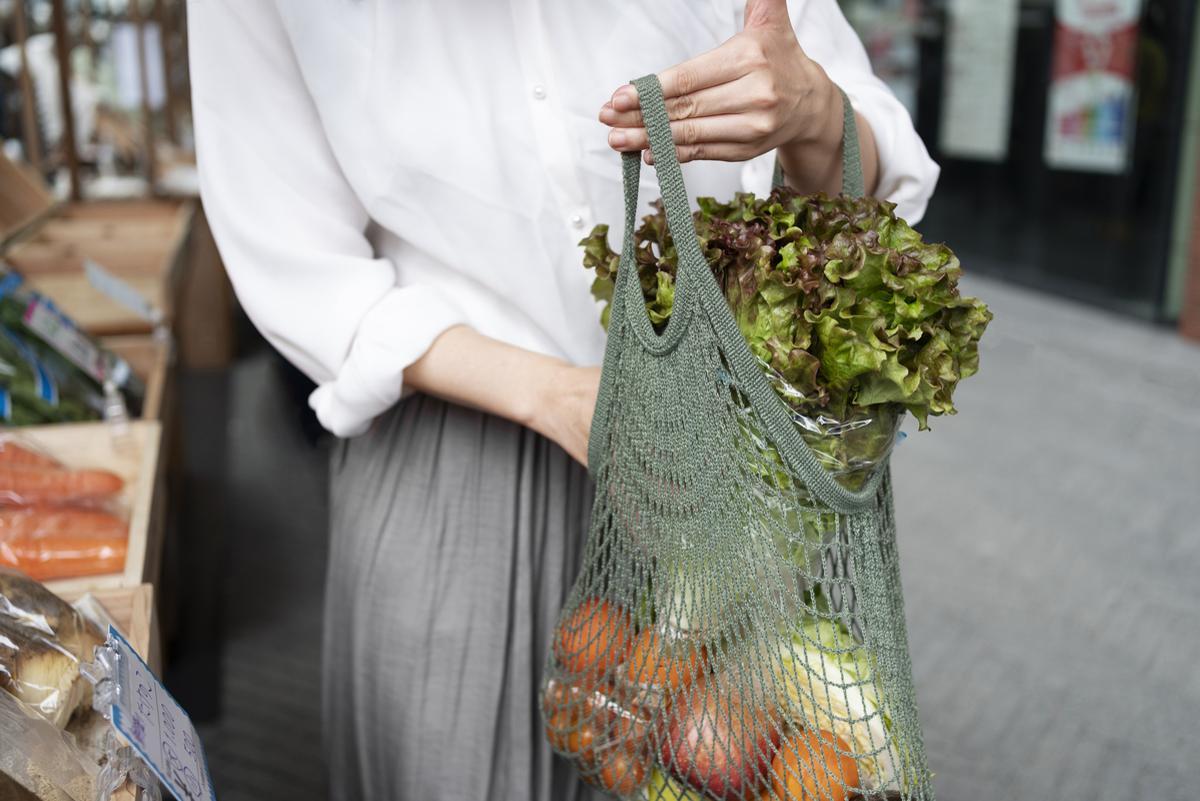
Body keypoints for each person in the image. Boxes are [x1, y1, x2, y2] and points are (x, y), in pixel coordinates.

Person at [187, 0, 937, 798]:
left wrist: (814, 111)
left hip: (723, 457)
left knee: (730, 759)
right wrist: (557, 394)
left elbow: (870, 183)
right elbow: (295, 260)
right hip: (454, 461)